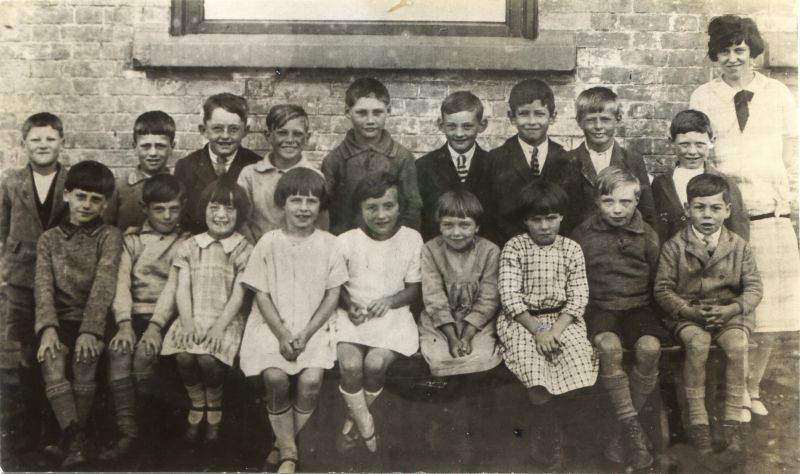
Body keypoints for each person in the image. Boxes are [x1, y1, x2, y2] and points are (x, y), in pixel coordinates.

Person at [689, 14, 800, 421]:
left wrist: (790, 206)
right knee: (731, 306)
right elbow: (702, 159)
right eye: (724, 52)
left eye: (740, 50)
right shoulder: (704, 96)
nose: (733, 59)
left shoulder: (779, 95)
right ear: (715, 56)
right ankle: (730, 392)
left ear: (754, 53)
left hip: (770, 216)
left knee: (771, 310)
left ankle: (752, 388)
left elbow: (793, 159)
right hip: (726, 221)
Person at [238, 168, 346, 473]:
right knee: (275, 378)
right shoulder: (268, 243)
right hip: (273, 324)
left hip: (314, 325)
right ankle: (289, 451)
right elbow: (261, 294)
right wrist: (283, 334)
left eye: (311, 201)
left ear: (320, 206)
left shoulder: (330, 244)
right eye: (296, 200)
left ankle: (283, 445)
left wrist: (307, 333)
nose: (303, 208)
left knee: (311, 380)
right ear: (282, 203)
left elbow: (332, 296)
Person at [654, 174, 762, 456]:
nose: (707, 215)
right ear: (687, 209)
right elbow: (663, 290)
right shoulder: (675, 246)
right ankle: (699, 422)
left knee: (738, 346)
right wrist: (689, 311)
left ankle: (731, 420)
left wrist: (732, 309)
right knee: (698, 345)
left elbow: (753, 289)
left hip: (729, 313)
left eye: (715, 208)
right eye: (700, 207)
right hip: (690, 313)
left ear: (727, 210)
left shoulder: (738, 245)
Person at [496, 180, 597, 471]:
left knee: (576, 360)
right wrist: (538, 330)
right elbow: (510, 296)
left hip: (563, 320)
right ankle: (545, 432)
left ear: (562, 217)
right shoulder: (515, 247)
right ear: (526, 220)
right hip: (523, 322)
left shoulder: (571, 248)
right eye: (537, 219)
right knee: (535, 371)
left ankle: (565, 434)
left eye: (551, 218)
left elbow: (579, 297)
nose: (544, 226)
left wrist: (555, 329)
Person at [572, 167, 665, 470]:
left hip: (638, 307)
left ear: (637, 201)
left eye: (625, 202)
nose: (617, 209)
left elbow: (655, 277)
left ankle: (619, 431)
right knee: (609, 348)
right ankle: (633, 432)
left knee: (650, 348)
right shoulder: (583, 235)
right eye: (608, 201)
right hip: (600, 308)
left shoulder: (647, 235)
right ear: (597, 201)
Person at [34, 160, 122, 467]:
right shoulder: (49, 239)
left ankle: (71, 439)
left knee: (86, 358)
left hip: (94, 321)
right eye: (81, 196)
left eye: (96, 199)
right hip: (59, 321)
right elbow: (43, 287)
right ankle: (77, 439)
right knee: (52, 358)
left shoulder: (109, 236)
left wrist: (91, 329)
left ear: (105, 203)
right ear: (67, 195)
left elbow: (104, 283)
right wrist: (47, 328)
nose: (87, 205)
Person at [101, 174, 189, 461]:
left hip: (168, 317)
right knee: (119, 350)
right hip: (132, 313)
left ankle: (148, 433)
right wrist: (124, 324)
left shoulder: (186, 243)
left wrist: (155, 328)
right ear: (145, 207)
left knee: (145, 354)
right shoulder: (132, 241)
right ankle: (128, 432)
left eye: (174, 209)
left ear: (183, 207)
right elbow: (121, 283)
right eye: (159, 209)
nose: (167, 215)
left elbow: (176, 289)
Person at [334, 173, 422, 453]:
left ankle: (353, 422)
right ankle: (368, 430)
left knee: (374, 364)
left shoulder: (411, 238)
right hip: (353, 317)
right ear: (360, 210)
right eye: (372, 207)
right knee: (349, 366)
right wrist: (350, 306)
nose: (381, 214)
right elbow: (336, 286)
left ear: (399, 206)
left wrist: (390, 301)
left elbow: (413, 289)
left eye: (388, 206)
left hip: (392, 317)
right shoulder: (346, 240)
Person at [160, 179, 253, 444]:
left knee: (207, 360)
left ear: (240, 214)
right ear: (204, 209)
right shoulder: (190, 246)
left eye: (230, 209)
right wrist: (187, 323)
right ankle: (196, 404)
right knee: (184, 358)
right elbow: (181, 288)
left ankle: (214, 406)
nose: (221, 215)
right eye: (214, 207)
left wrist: (218, 327)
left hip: (225, 320)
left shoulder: (243, 248)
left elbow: (239, 294)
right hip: (192, 315)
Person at [0, 112, 69, 450]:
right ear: (24, 143)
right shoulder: (11, 182)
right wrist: (6, 268)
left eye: (50, 139)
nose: (43, 145)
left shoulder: (71, 183)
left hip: (60, 281)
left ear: (62, 142)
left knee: (55, 350)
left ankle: (56, 425)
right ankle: (28, 425)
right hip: (23, 279)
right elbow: (2, 227)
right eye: (36, 139)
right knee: (27, 350)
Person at [485, 79, 581, 245]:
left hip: (555, 253)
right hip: (509, 250)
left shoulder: (567, 160)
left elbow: (572, 215)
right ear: (511, 117)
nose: (531, 122)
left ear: (552, 117)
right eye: (523, 114)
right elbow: (491, 216)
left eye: (539, 114)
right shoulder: (496, 159)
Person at [321, 77, 422, 235]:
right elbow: (324, 210)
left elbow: (412, 207)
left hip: (389, 244)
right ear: (347, 112)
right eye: (362, 113)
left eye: (377, 112)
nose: (370, 120)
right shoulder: (335, 160)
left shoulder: (402, 157)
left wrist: (400, 242)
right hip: (347, 244)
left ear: (388, 111)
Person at [418, 190, 502, 377]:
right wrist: (452, 337)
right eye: (448, 225)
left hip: (478, 322)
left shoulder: (490, 251)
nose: (456, 233)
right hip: (440, 322)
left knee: (480, 358)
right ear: (439, 226)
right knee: (441, 359)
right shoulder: (430, 250)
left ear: (477, 227)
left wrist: (467, 334)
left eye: (464, 225)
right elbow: (434, 296)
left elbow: (489, 298)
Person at [651, 110, 748, 243]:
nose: (692, 151)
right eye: (684, 144)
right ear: (671, 141)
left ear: (711, 141)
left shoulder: (725, 183)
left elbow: (739, 233)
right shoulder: (660, 185)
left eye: (700, 144)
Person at [566, 87, 657, 230]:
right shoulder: (568, 160)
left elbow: (648, 212)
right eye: (590, 120)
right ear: (579, 121)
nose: (598, 126)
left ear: (618, 119)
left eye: (605, 119)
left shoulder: (633, 160)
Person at [237, 104, 328, 243]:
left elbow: (321, 226)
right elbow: (241, 222)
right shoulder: (250, 175)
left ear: (307, 137)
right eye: (282, 133)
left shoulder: (315, 176)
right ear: (268, 136)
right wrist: (257, 252)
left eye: (297, 134)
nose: (290, 140)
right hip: (258, 253)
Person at [174, 93, 260, 234]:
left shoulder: (255, 165)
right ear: (204, 130)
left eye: (233, 129)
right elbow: (180, 217)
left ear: (245, 131)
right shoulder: (186, 167)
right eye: (217, 129)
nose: (225, 136)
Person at [415, 91, 491, 242]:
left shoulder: (493, 164)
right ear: (440, 125)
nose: (459, 133)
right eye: (451, 126)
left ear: (482, 125)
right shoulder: (423, 166)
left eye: (467, 126)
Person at [104, 111, 176, 231]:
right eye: (146, 146)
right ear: (134, 147)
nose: (153, 153)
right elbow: (106, 229)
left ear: (171, 147)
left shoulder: (179, 184)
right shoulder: (119, 187)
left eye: (160, 146)